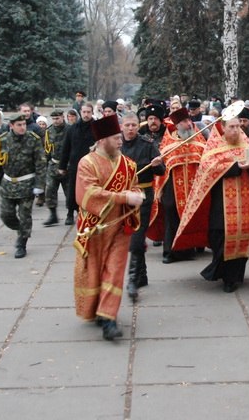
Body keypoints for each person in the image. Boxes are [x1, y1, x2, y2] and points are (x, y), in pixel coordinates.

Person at [172, 117, 249, 292]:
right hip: (220, 202)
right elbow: (208, 169)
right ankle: (222, 271)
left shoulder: (246, 145)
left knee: (242, 236)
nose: (236, 130)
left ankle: (233, 277)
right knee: (220, 236)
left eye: (238, 126)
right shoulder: (214, 147)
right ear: (223, 127)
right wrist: (236, 167)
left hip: (245, 201)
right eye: (232, 127)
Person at [73, 114, 145, 340]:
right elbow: (89, 193)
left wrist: (138, 195)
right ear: (103, 140)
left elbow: (133, 187)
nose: (121, 140)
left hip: (119, 227)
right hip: (94, 227)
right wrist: (125, 197)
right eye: (116, 137)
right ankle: (95, 310)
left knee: (114, 271)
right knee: (93, 272)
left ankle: (109, 318)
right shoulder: (87, 163)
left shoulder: (128, 164)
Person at [149, 107, 205, 264]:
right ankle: (170, 252)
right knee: (172, 217)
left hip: (194, 187)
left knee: (192, 217)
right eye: (184, 122)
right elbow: (162, 168)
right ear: (177, 125)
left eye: (189, 120)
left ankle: (190, 249)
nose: (189, 124)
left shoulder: (199, 139)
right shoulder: (168, 143)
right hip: (172, 188)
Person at [120, 111, 164, 300]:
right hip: (121, 198)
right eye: (127, 125)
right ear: (121, 126)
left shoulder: (147, 145)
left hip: (143, 197)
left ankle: (132, 281)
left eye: (134, 125)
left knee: (136, 240)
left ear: (139, 126)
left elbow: (162, 171)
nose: (131, 129)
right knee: (127, 239)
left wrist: (156, 164)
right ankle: (142, 275)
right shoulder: (115, 146)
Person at [0, 114, 46, 258]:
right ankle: (21, 229)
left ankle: (22, 243)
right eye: (19, 125)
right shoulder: (3, 140)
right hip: (8, 184)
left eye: (24, 124)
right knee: (6, 215)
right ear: (11, 126)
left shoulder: (33, 140)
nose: (22, 127)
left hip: (27, 184)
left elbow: (40, 163)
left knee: (25, 215)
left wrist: (40, 185)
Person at [59, 103, 96, 225]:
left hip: (92, 166)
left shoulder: (97, 128)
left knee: (91, 190)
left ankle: (89, 213)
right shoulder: (72, 129)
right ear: (80, 112)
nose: (86, 115)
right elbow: (66, 148)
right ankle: (70, 213)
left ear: (92, 113)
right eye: (84, 112)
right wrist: (62, 166)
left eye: (88, 112)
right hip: (75, 165)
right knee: (72, 190)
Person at [43, 109, 70, 227]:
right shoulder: (49, 131)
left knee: (69, 192)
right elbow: (47, 149)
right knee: (50, 190)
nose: (55, 121)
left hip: (67, 166)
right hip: (53, 164)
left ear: (62, 117)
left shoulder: (69, 130)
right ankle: (53, 214)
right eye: (53, 119)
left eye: (57, 118)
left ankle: (70, 214)